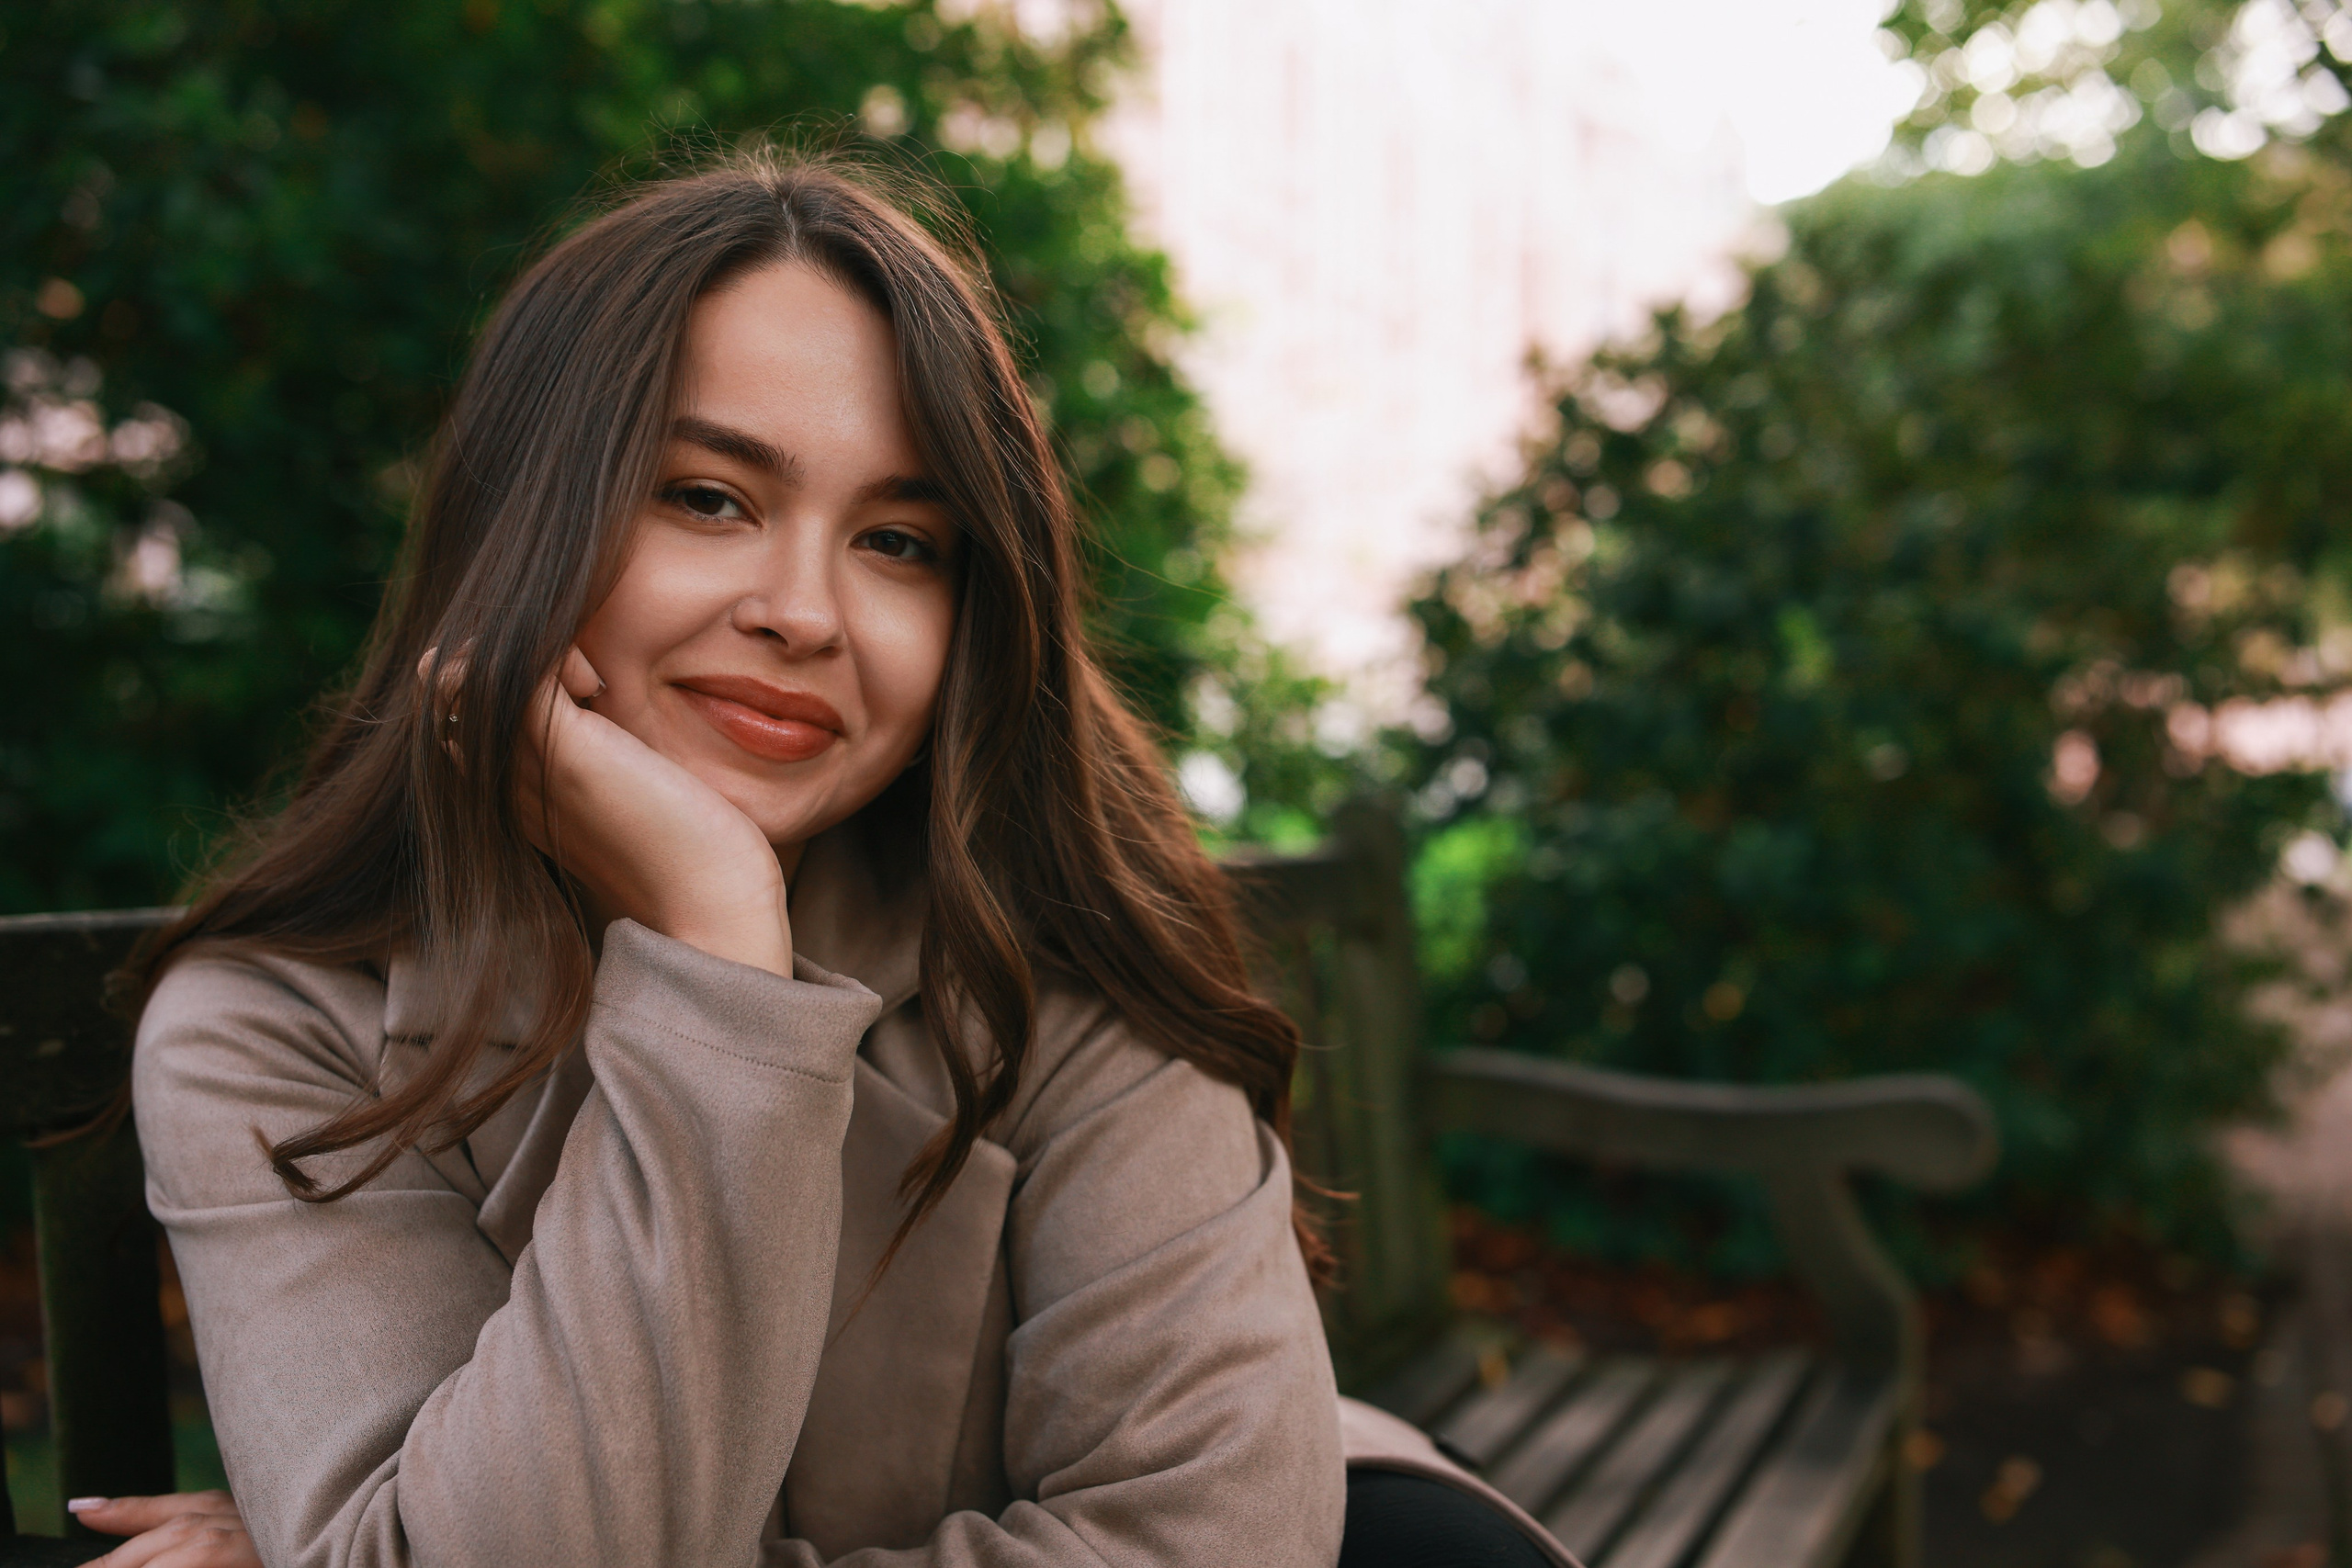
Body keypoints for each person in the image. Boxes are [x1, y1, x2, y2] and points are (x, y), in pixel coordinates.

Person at [81, 149, 1568, 1568]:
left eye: (901, 543)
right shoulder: (276, 1035)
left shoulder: (1062, 978)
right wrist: (717, 948)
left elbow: (1211, 1542)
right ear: (522, 523)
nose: (806, 610)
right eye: (710, 498)